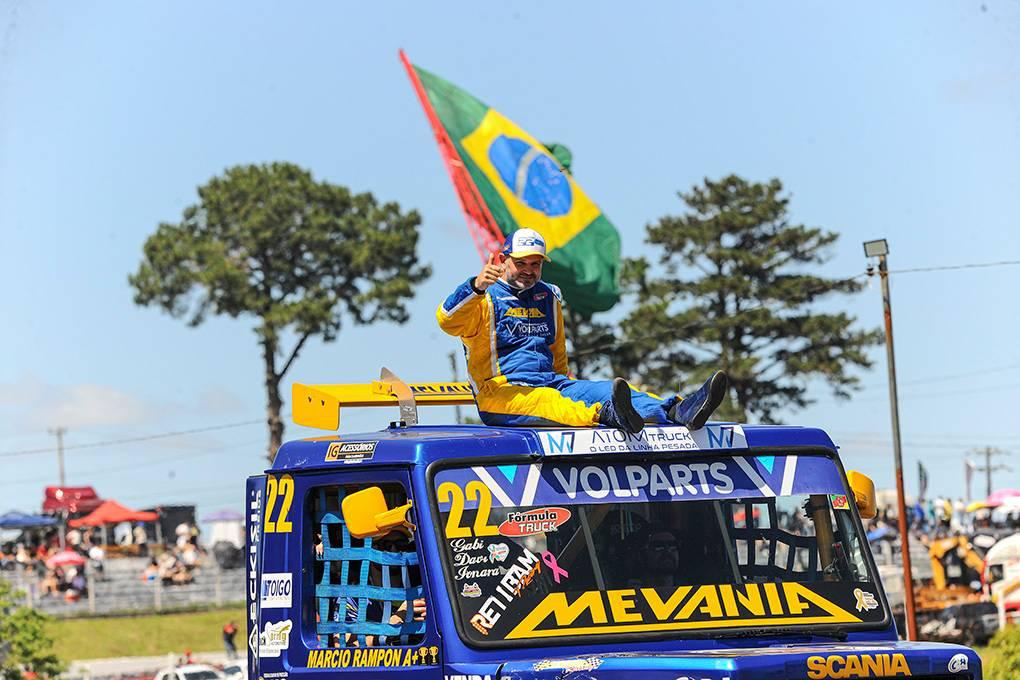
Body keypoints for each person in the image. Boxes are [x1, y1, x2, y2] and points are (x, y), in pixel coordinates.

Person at [437, 228, 728, 433]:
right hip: (502, 393)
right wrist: (475, 286)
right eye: (521, 262)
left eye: (535, 264)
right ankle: (607, 414)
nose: (528, 270)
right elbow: (447, 321)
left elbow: (557, 351)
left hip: (552, 382)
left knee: (604, 388)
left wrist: (568, 384)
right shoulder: (482, 297)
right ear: (503, 260)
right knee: (551, 403)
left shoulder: (548, 295)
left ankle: (678, 411)